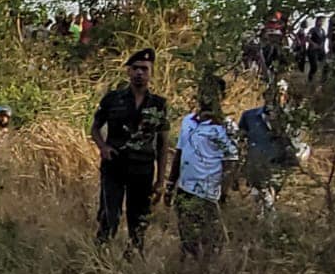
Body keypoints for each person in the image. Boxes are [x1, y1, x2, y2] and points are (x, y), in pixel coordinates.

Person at [91, 49, 169, 252]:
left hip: (142, 169)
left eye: (144, 69)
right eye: (135, 68)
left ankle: (133, 256)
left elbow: (162, 143)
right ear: (128, 72)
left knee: (139, 218)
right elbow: (95, 128)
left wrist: (160, 181)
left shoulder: (159, 104)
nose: (139, 73)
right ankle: (100, 256)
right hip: (114, 166)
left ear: (151, 72)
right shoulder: (113, 99)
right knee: (109, 215)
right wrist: (103, 147)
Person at [166, 79, 238, 261]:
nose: (207, 97)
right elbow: (180, 153)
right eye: (204, 92)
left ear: (222, 97)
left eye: (213, 93)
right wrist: (170, 185)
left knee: (209, 241)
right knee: (187, 237)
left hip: (208, 193)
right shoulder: (188, 121)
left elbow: (230, 163)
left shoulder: (225, 127)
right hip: (185, 189)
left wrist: (223, 194)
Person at [237, 82, 298, 221]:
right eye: (272, 95)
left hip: (277, 166)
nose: (276, 99)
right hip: (256, 164)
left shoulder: (289, 120)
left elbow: (295, 145)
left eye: (280, 95)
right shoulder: (250, 116)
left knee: (269, 200)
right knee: (259, 201)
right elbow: (241, 138)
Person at [307, 17, 328, 81]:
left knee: (326, 64)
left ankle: (323, 80)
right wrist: (313, 44)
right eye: (320, 21)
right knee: (314, 67)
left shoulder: (323, 30)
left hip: (321, 50)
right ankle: (310, 79)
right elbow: (308, 38)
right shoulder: (312, 29)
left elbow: (324, 40)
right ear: (317, 21)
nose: (321, 23)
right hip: (313, 50)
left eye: (323, 21)